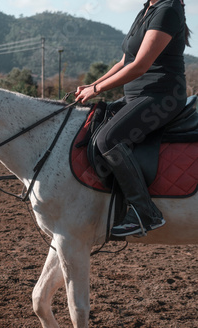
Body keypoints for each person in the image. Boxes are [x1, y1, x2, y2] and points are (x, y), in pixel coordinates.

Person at [75, 0, 191, 237]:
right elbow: (124, 61)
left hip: (162, 96)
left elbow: (139, 66)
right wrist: (93, 84)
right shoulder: (147, 9)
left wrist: (97, 90)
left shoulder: (168, 10)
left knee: (108, 139)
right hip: (137, 96)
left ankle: (145, 212)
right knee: (96, 121)